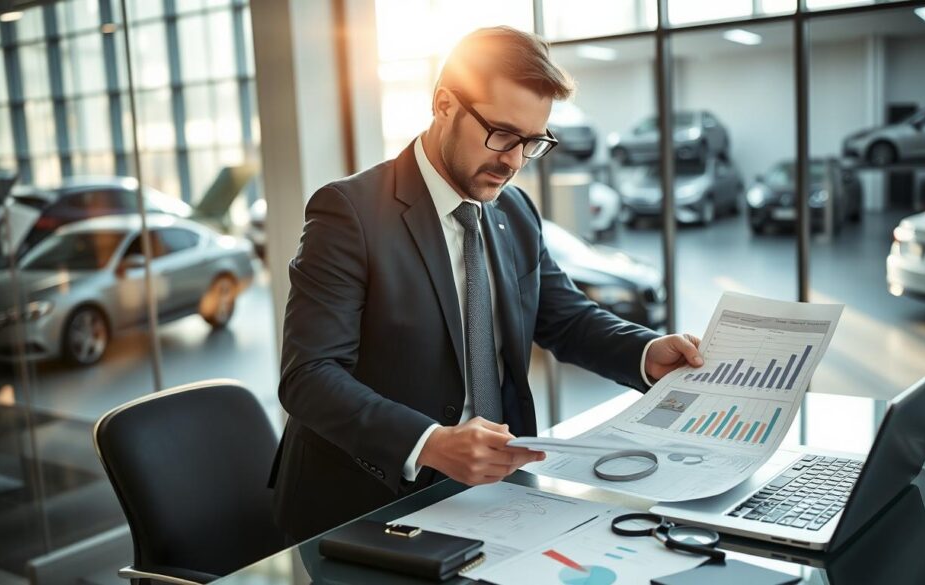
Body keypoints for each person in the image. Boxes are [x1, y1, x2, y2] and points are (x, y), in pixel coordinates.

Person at [268, 26, 704, 541]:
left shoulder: (514, 211)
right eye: (501, 134)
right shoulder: (350, 212)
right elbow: (310, 375)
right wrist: (430, 442)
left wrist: (645, 351)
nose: (514, 161)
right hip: (363, 504)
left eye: (532, 142)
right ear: (444, 105)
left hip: (493, 495)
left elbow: (564, 317)